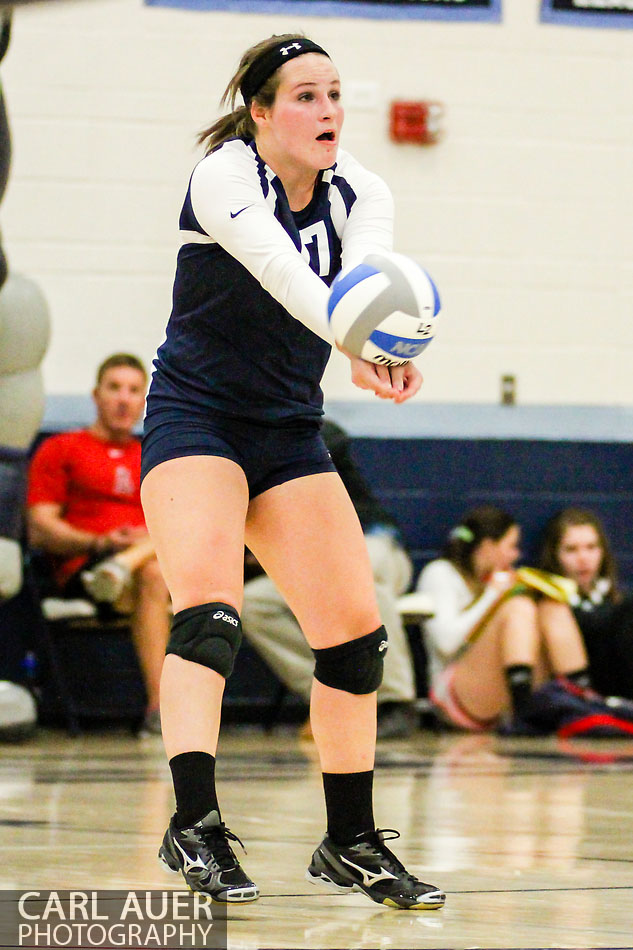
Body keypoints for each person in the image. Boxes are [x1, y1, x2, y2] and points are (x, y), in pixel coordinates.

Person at [139, 34, 445, 910]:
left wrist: (379, 350)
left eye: (336, 95)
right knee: (210, 617)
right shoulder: (224, 176)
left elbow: (364, 279)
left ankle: (349, 841)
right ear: (261, 111)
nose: (328, 113)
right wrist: (352, 333)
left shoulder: (362, 188)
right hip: (197, 417)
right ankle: (192, 824)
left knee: (356, 637)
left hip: (286, 430)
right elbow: (284, 275)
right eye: (305, 97)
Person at [242, 418, 418, 740]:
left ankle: (396, 703)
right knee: (252, 603)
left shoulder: (311, 428)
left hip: (374, 543)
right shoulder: (228, 447)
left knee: (361, 578)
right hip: (311, 563)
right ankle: (335, 695)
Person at [26, 353, 170, 734]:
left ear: (145, 401)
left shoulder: (156, 455)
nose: (124, 399)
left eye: (134, 390)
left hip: (151, 571)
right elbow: (40, 528)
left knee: (157, 566)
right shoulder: (62, 448)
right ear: (96, 395)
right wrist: (101, 543)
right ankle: (162, 710)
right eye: (115, 388)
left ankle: (129, 562)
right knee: (155, 572)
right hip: (89, 570)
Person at [415, 505, 592, 731]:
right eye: (511, 546)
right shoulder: (440, 573)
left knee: (551, 606)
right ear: (488, 547)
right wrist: (493, 595)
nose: (515, 555)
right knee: (519, 606)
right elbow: (446, 644)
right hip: (454, 695)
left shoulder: (492, 579)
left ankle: (583, 700)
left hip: (497, 696)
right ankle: (524, 713)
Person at [540, 507, 633, 700]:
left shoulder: (620, 602)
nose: (583, 558)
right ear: (555, 555)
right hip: (579, 698)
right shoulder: (549, 606)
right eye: (571, 550)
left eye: (591, 547)